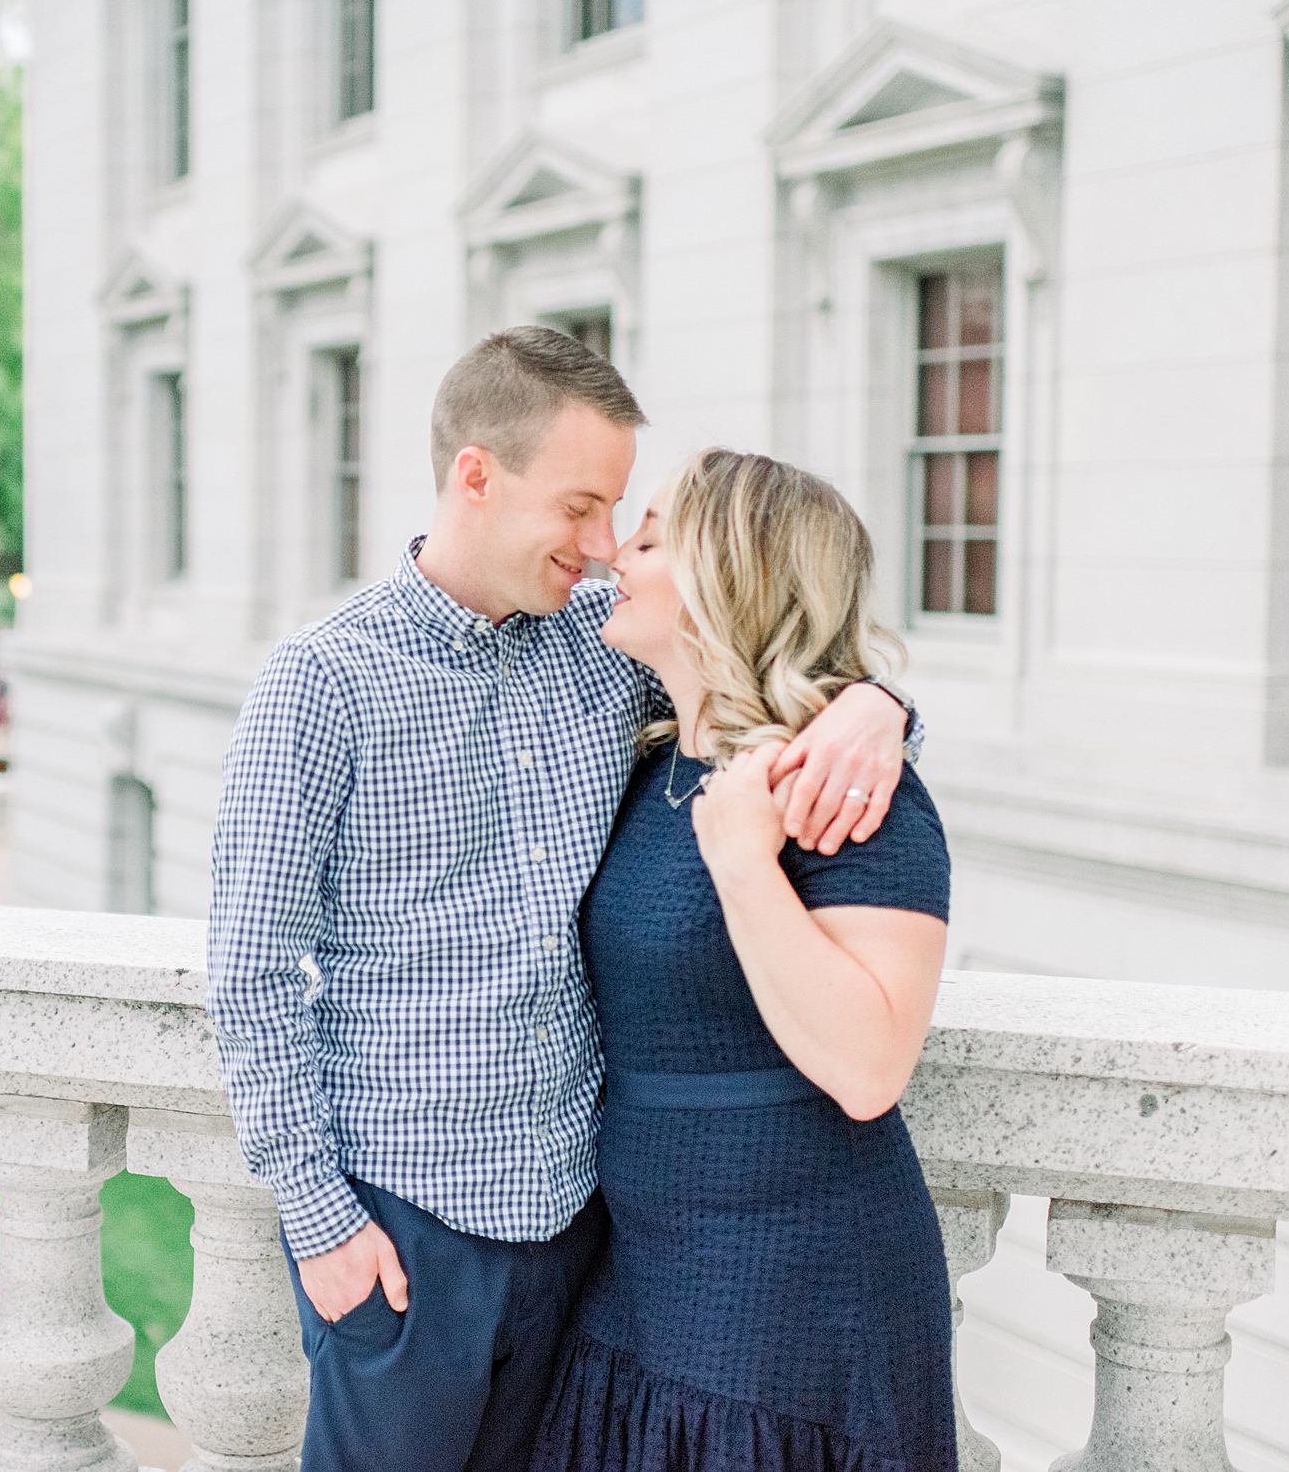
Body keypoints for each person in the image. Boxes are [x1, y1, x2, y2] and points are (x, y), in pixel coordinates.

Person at [208, 328, 919, 1472]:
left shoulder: (603, 647)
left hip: (584, 1241)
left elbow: (764, 646)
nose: (600, 549)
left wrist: (879, 705)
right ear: (477, 474)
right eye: (582, 507)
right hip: (408, 1234)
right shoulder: (321, 684)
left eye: (620, 514)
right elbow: (250, 973)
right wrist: (320, 1219)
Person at [531, 449, 953, 1472]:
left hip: (795, 1296)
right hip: (636, 1275)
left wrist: (745, 865)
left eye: (651, 534)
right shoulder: (649, 753)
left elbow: (868, 1069)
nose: (612, 553)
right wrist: (883, 699)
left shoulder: (848, 798)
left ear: (733, 573)